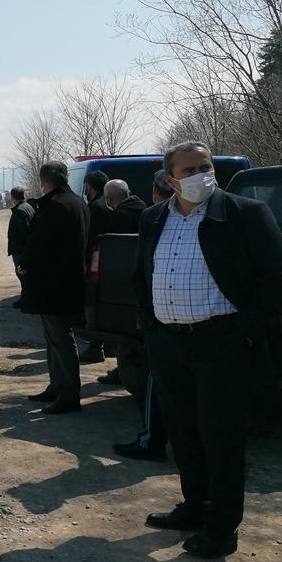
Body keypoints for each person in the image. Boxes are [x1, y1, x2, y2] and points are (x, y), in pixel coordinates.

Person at [137, 141, 282, 558]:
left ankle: (222, 527)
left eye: (204, 166)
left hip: (221, 344)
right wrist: (150, 325)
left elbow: (279, 281)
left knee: (220, 437)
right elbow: (142, 274)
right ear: (170, 179)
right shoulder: (154, 218)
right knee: (184, 433)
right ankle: (194, 507)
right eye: (188, 170)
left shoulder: (245, 214)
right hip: (168, 343)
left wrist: (243, 331)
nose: (200, 175)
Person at [18, 161, 90, 415]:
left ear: (44, 181)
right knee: (53, 340)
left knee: (61, 340)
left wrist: (23, 265)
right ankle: (56, 387)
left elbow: (38, 243)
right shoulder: (78, 202)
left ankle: (68, 395)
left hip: (54, 283)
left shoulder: (54, 206)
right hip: (70, 279)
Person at [112, 170, 174, 459]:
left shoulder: (156, 218)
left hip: (175, 328)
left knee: (156, 384)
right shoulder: (150, 218)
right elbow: (141, 272)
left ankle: (153, 440)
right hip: (160, 319)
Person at [79, 170, 112, 364]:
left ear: (91, 187)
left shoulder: (95, 208)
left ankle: (95, 347)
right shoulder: (110, 206)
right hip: (111, 266)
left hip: (94, 266)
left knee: (92, 307)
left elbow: (88, 240)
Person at [6, 186, 34, 307]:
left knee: (22, 273)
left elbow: (24, 232)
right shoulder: (28, 207)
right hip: (24, 248)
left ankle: (26, 300)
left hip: (20, 249)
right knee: (24, 274)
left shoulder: (20, 211)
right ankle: (26, 298)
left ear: (12, 197)